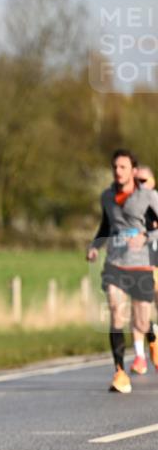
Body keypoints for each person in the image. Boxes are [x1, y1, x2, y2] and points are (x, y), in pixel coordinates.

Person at [86, 150, 158, 392]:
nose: (118, 171)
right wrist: (96, 246)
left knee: (140, 321)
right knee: (116, 314)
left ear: (133, 171)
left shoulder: (148, 196)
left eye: (123, 167)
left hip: (141, 265)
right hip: (115, 264)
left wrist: (146, 235)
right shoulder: (107, 196)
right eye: (115, 167)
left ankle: (153, 339)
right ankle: (119, 372)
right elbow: (105, 225)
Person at [136, 165, 158, 368]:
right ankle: (140, 356)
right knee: (139, 308)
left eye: (143, 181)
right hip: (141, 264)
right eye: (137, 181)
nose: (139, 185)